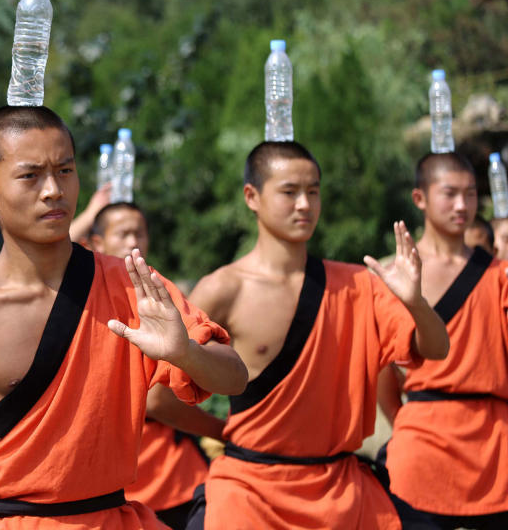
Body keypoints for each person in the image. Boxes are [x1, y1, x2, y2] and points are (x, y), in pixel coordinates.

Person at [0, 106, 247, 530]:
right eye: (30, 176)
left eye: (65, 171)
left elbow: (234, 377)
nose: (53, 190)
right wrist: (3, 510)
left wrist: (185, 353)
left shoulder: (131, 285)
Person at [185, 141, 449, 530]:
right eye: (289, 192)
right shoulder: (224, 289)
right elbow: (160, 397)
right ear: (252, 196)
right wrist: (224, 432)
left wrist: (416, 303)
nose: (305, 204)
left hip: (342, 492)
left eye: (313, 191)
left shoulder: (359, 284)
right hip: (250, 491)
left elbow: (436, 348)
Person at [377, 152, 508, 529]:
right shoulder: (394, 274)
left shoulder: (499, 275)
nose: (462, 205)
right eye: (450, 193)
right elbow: (381, 370)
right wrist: (407, 422)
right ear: (420, 198)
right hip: (422, 441)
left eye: (470, 195)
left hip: (493, 444)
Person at [89, 202, 225, 529]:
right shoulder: (89, 300)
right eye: (122, 233)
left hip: (171, 471)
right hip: (130, 474)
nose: (133, 240)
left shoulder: (157, 291)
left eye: (139, 232)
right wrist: (224, 432)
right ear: (97, 243)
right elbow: (156, 401)